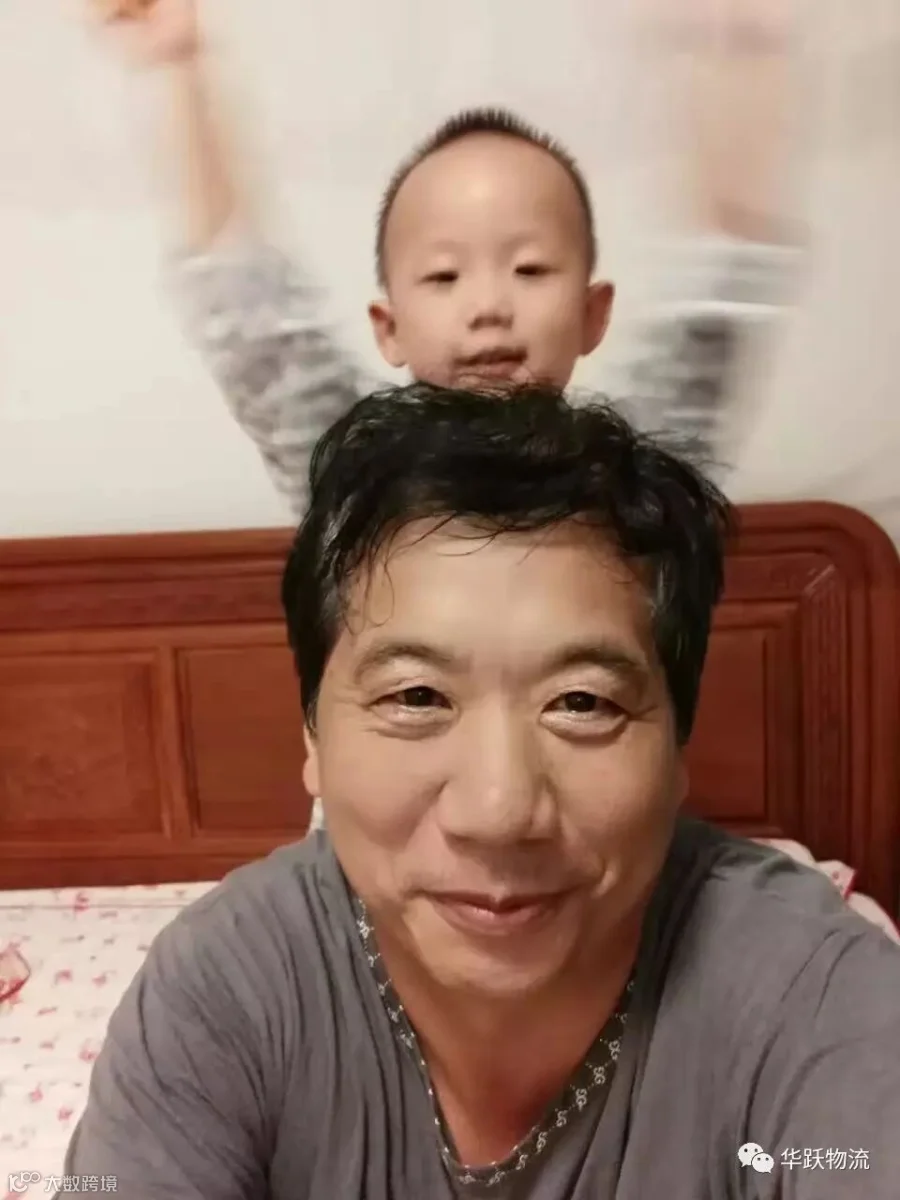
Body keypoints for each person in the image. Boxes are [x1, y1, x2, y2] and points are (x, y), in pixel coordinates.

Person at [59, 383, 900, 1198]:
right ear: (312, 737)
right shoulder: (226, 989)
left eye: (582, 703)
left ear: (678, 745)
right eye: (417, 696)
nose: (498, 813)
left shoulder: (815, 999)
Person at [93, 0, 802, 522]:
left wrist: (744, 48)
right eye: (443, 276)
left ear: (593, 313)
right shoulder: (355, 472)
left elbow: (716, 306)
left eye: (530, 269)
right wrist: (178, 66)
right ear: (389, 326)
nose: (488, 305)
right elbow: (250, 318)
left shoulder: (637, 478)